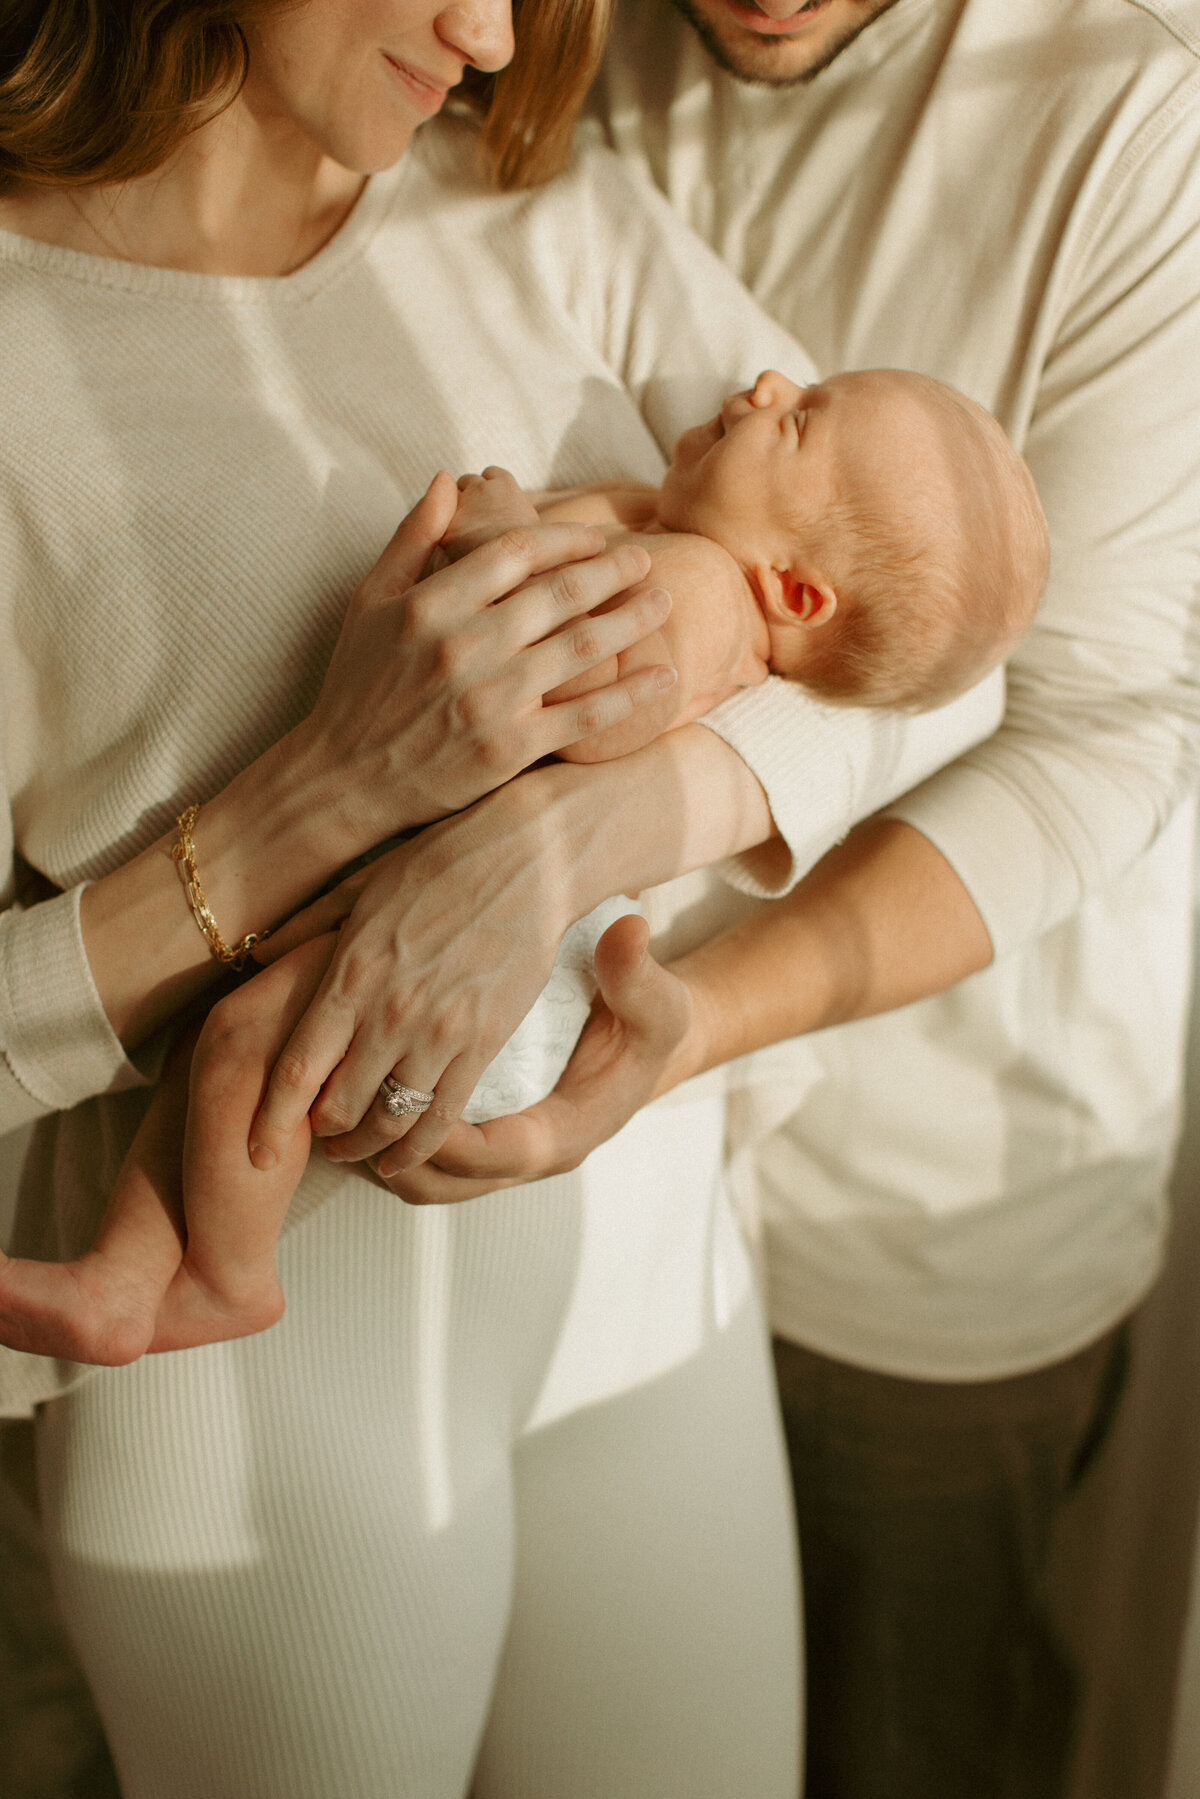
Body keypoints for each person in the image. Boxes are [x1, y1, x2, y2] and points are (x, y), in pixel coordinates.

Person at [0, 3, 1005, 1794]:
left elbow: (934, 645)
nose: (486, 34)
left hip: (653, 1278)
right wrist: (304, 806)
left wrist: (586, 819)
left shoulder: (543, 204)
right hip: (277, 1400)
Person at [528, 1, 1198, 1793]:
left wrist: (699, 1023)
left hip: (917, 1229)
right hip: (625, 1205)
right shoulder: (578, 47)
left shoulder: (1126, 115)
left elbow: (1100, 740)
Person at [0, 365, 1045, 1370]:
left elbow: (603, 693)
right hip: (501, 935)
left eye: (803, 420)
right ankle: (130, 1273)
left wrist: (505, 536)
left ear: (796, 592)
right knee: (222, 1052)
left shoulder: (705, 588)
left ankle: (218, 1277)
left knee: (238, 1050)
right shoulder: (688, 544)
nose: (769, 384)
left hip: (510, 960)